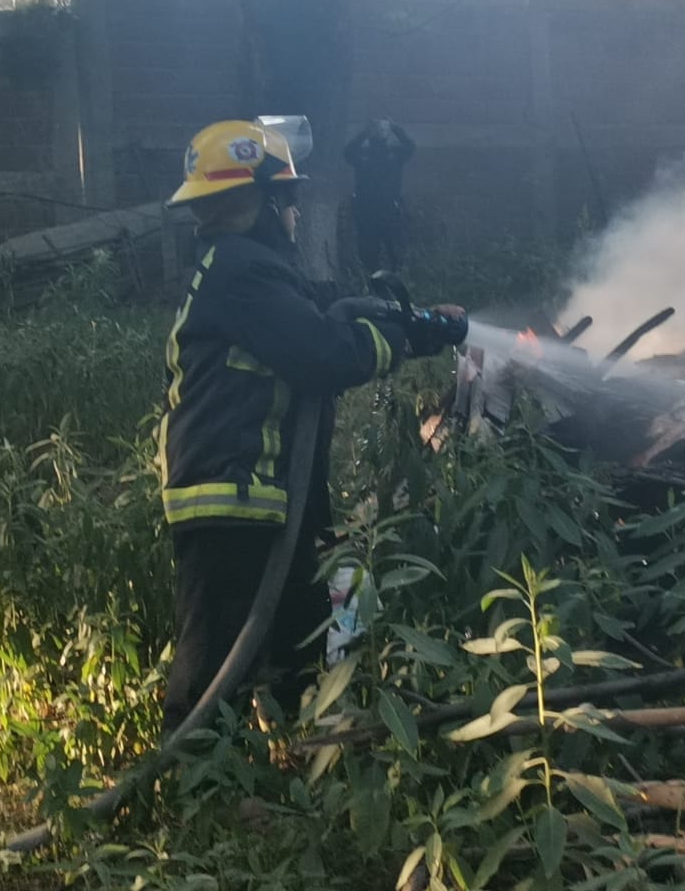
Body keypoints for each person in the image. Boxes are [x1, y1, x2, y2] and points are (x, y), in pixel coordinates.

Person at [157, 119, 463, 735]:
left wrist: (415, 326)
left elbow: (322, 318)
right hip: (231, 496)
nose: (295, 213)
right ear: (262, 202)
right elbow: (323, 352)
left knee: (327, 605)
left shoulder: (242, 271)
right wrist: (388, 341)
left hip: (267, 496)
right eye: (288, 199)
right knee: (215, 654)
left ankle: (312, 739)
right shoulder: (243, 270)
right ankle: (189, 780)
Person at [344, 118, 415, 275]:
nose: (379, 133)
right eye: (376, 130)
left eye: (382, 130)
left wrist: (394, 127)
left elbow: (410, 147)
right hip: (366, 209)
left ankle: (395, 277)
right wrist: (364, 133)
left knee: (394, 249)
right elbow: (347, 153)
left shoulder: (393, 155)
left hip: (389, 209)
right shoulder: (364, 156)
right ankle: (372, 278)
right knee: (368, 250)